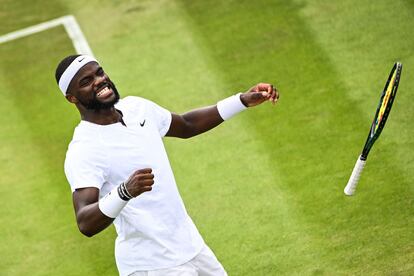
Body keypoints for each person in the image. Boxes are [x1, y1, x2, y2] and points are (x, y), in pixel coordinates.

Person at [55, 54, 279, 276]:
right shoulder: (84, 149)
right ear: (72, 98)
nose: (99, 81)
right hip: (152, 265)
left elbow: (187, 125)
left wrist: (241, 100)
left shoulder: (137, 108)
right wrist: (124, 192)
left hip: (191, 247)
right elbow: (85, 222)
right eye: (86, 82)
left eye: (99, 72)